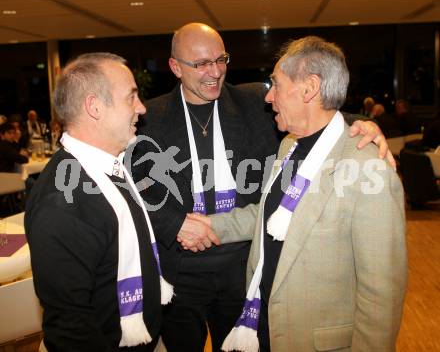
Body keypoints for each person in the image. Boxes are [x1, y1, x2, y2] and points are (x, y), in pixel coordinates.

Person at [131, 23, 392, 352]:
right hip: (180, 271)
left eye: (220, 59)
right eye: (201, 64)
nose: (215, 72)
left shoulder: (255, 101)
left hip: (243, 268)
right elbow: (133, 189)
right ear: (175, 67)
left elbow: (323, 116)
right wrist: (175, 224)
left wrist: (366, 126)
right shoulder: (148, 118)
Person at [192, 36, 407, 352]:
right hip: (266, 327)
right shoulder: (288, 146)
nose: (269, 98)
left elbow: (381, 295)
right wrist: (209, 225)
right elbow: (270, 214)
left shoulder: (367, 168)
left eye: (276, 85)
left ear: (309, 88)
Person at [25, 52, 172, 351]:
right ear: (94, 107)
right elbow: (70, 329)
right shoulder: (61, 201)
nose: (142, 108)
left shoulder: (109, 168)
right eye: (131, 97)